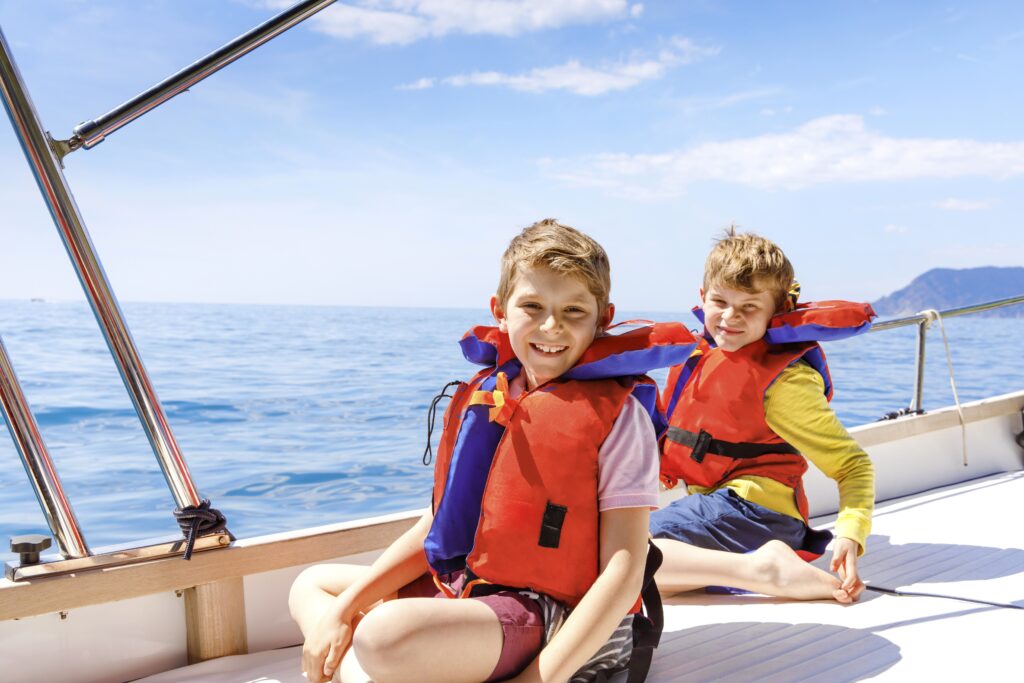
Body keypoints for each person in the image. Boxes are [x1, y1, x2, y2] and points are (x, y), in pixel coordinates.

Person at [289, 219, 696, 683]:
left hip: (559, 614)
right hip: (477, 592)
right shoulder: (492, 396)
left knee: (383, 635)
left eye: (574, 311)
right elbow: (439, 524)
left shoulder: (619, 419)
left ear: (604, 318)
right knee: (314, 586)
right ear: (500, 310)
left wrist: (537, 680)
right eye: (533, 306)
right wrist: (344, 610)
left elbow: (624, 570)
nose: (551, 326)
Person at [651, 228, 876, 603]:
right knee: (624, 574)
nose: (730, 317)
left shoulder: (784, 383)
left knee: (616, 558)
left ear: (776, 310)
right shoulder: (702, 354)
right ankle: (752, 567)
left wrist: (851, 533)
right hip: (719, 509)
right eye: (720, 301)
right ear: (702, 297)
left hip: (756, 515)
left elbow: (853, 465)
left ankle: (764, 569)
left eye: (750, 307)